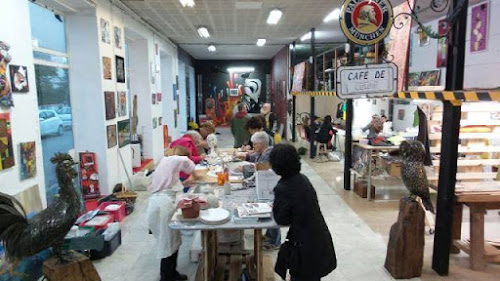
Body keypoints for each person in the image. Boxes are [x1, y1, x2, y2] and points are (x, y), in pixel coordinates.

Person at [270, 144, 337, 280]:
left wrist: (275, 206)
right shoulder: (303, 179)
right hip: (319, 238)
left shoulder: (282, 187)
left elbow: (281, 219)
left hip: (304, 247)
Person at [147, 153, 201, 281]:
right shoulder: (173, 160)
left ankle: (172, 273)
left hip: (161, 203)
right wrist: (195, 174)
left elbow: (175, 187)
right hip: (162, 207)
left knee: (173, 242)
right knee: (167, 243)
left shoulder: (167, 168)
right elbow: (186, 161)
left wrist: (187, 183)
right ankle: (166, 276)